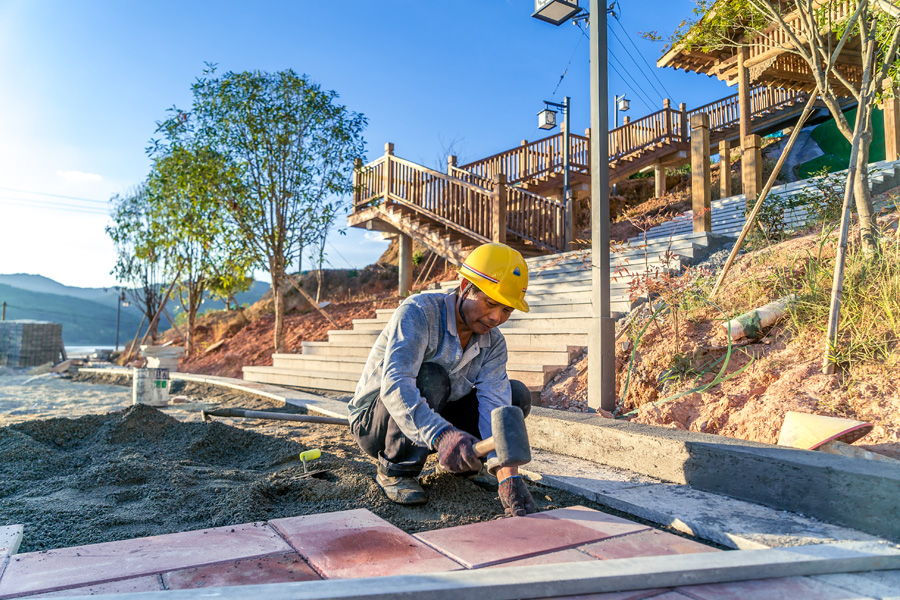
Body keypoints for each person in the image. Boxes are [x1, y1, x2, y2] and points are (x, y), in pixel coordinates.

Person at [348, 242, 537, 517]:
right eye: (490, 302)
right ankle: (395, 469)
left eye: (507, 310)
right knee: (432, 376)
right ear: (464, 288)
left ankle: (466, 465)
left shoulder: (493, 344)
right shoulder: (419, 312)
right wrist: (442, 434)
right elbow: (396, 384)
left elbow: (494, 405)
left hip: (438, 413)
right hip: (376, 423)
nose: (496, 317)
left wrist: (506, 473)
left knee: (515, 396)